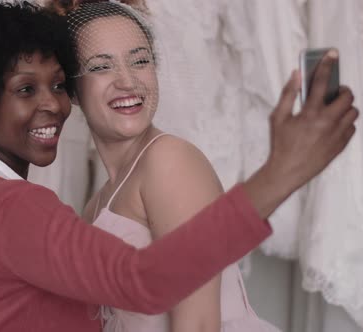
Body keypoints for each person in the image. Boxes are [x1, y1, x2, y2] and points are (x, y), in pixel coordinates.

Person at [0, 1, 358, 331]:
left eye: (140, 60)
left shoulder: (166, 161)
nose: (50, 104)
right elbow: (141, 282)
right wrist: (281, 173)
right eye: (25, 90)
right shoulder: (15, 206)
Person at [49, 1, 279, 330]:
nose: (127, 81)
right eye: (101, 67)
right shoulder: (95, 206)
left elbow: (198, 323)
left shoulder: (169, 161)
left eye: (140, 61)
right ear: (71, 89)